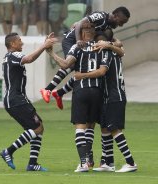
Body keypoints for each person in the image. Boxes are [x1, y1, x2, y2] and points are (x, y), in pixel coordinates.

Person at [47, 22, 110, 172]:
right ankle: (90, 159)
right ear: (93, 33)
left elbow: (65, 64)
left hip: (81, 91)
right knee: (90, 126)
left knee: (80, 128)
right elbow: (102, 71)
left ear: (81, 34)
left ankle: (83, 163)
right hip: (97, 92)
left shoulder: (77, 47)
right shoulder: (101, 47)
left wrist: (50, 53)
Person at [73, 30, 137, 173]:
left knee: (114, 129)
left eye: (97, 43)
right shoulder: (115, 52)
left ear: (101, 43)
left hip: (114, 97)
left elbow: (101, 72)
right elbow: (122, 49)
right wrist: (111, 43)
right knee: (105, 128)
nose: (95, 45)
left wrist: (81, 75)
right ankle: (108, 163)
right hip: (111, 97)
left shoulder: (107, 53)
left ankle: (130, 162)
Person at [40, 6, 130, 104]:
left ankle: (59, 93)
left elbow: (117, 43)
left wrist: (113, 44)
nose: (121, 25)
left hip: (81, 44)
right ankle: (47, 90)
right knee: (70, 64)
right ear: (116, 16)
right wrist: (78, 40)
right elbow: (79, 24)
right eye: (121, 22)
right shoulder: (101, 16)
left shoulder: (107, 28)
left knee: (83, 69)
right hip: (71, 40)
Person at [0, 32, 55, 171]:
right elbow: (29, 58)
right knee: (37, 128)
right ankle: (9, 151)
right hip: (16, 99)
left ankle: (32, 163)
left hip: (16, 99)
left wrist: (44, 44)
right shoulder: (14, 55)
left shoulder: (8, 57)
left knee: (38, 127)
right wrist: (44, 46)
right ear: (12, 44)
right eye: (19, 40)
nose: (22, 43)